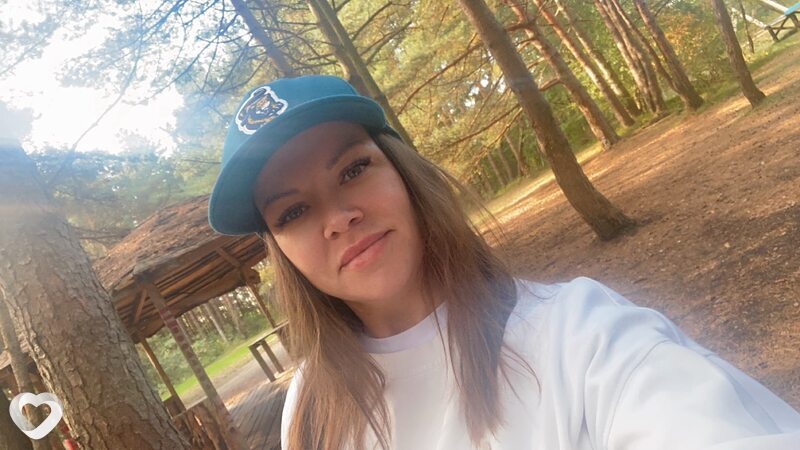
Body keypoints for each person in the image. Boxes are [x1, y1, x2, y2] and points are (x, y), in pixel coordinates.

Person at [208, 75, 800, 450]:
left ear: (404, 173)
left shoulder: (582, 337)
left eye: (353, 169)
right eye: (292, 212)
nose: (337, 218)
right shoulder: (311, 408)